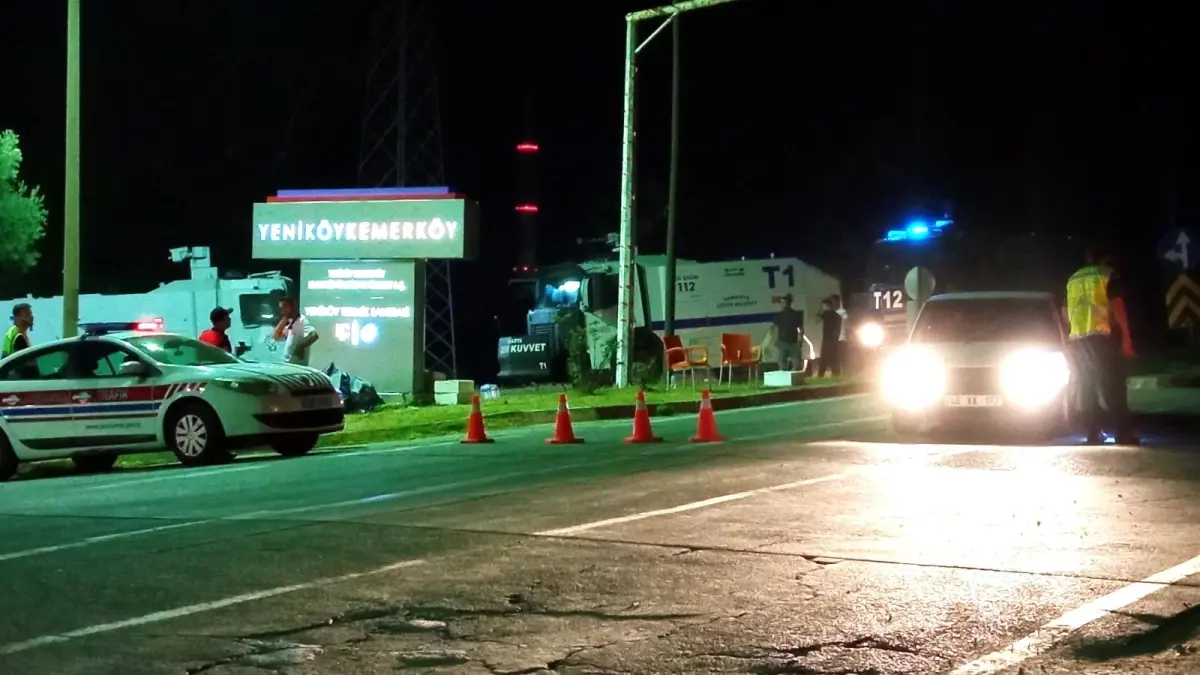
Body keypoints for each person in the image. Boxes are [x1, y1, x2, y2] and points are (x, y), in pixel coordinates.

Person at [1064, 244, 1138, 445]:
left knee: (1088, 385)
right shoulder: (1107, 274)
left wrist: (1068, 339)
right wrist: (1126, 338)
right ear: (1106, 259)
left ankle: (1093, 432)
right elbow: (1117, 306)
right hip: (1103, 334)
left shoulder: (1073, 279)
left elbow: (1066, 310)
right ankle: (1123, 433)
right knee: (1112, 384)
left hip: (1078, 338)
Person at [273, 297, 319, 366]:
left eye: (283, 307)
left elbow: (314, 335)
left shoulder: (302, 321)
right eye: (281, 308)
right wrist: (284, 319)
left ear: (291, 307)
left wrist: (300, 346)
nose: (282, 311)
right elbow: (276, 336)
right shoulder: (291, 324)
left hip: (298, 366)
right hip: (289, 365)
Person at [771, 293, 805, 371]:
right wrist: (774, 339)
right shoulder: (779, 316)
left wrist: (800, 339)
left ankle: (796, 380)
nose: (782, 304)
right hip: (782, 341)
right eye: (782, 303)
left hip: (794, 342)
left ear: (789, 303)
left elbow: (801, 328)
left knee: (796, 364)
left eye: (784, 302)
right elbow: (774, 328)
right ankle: (784, 379)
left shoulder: (796, 315)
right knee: (782, 364)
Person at [818, 297, 843, 377]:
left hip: (827, 339)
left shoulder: (825, 314)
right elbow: (838, 328)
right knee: (834, 358)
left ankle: (821, 374)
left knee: (824, 358)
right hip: (834, 340)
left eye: (823, 306)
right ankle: (836, 374)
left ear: (827, 305)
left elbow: (816, 320)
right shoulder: (837, 316)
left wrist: (820, 312)